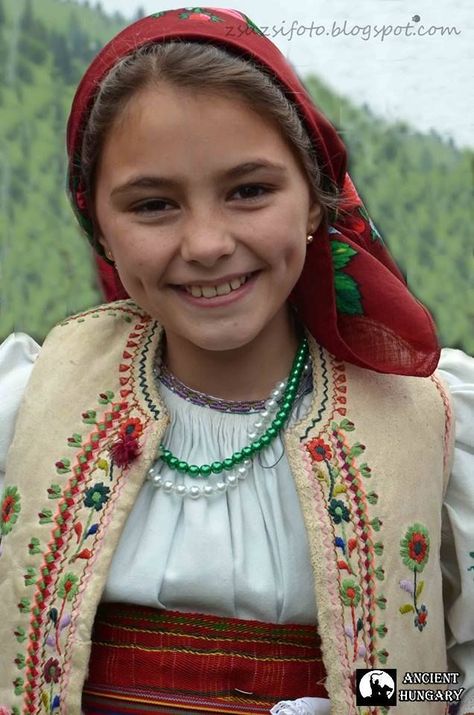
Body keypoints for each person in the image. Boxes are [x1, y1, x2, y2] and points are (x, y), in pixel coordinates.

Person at [0, 7, 472, 715]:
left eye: (249, 190)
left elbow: (451, 681)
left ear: (314, 200)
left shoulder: (431, 420)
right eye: (154, 204)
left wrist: (358, 694)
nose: (208, 242)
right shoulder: (27, 409)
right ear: (96, 222)